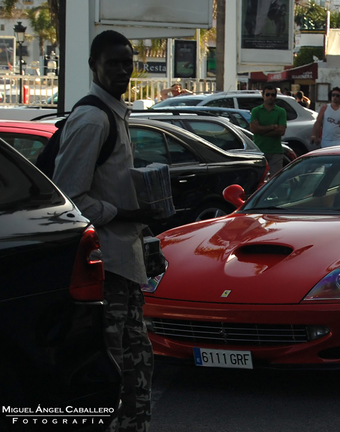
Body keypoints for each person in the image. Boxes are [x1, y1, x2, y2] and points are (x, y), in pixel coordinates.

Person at [52, 30, 155, 432]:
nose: (122, 70)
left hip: (125, 266)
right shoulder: (93, 119)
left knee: (138, 373)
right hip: (106, 269)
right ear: (94, 65)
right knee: (120, 381)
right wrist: (124, 213)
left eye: (127, 63)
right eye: (112, 63)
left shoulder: (115, 114)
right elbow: (69, 198)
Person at [250, 84, 287, 175]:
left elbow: (281, 131)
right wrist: (271, 127)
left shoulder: (281, 111)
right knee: (259, 178)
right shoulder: (256, 111)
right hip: (259, 150)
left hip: (276, 151)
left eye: (273, 95)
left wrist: (261, 130)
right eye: (268, 94)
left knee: (275, 179)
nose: (270, 97)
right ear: (263, 95)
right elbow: (253, 129)